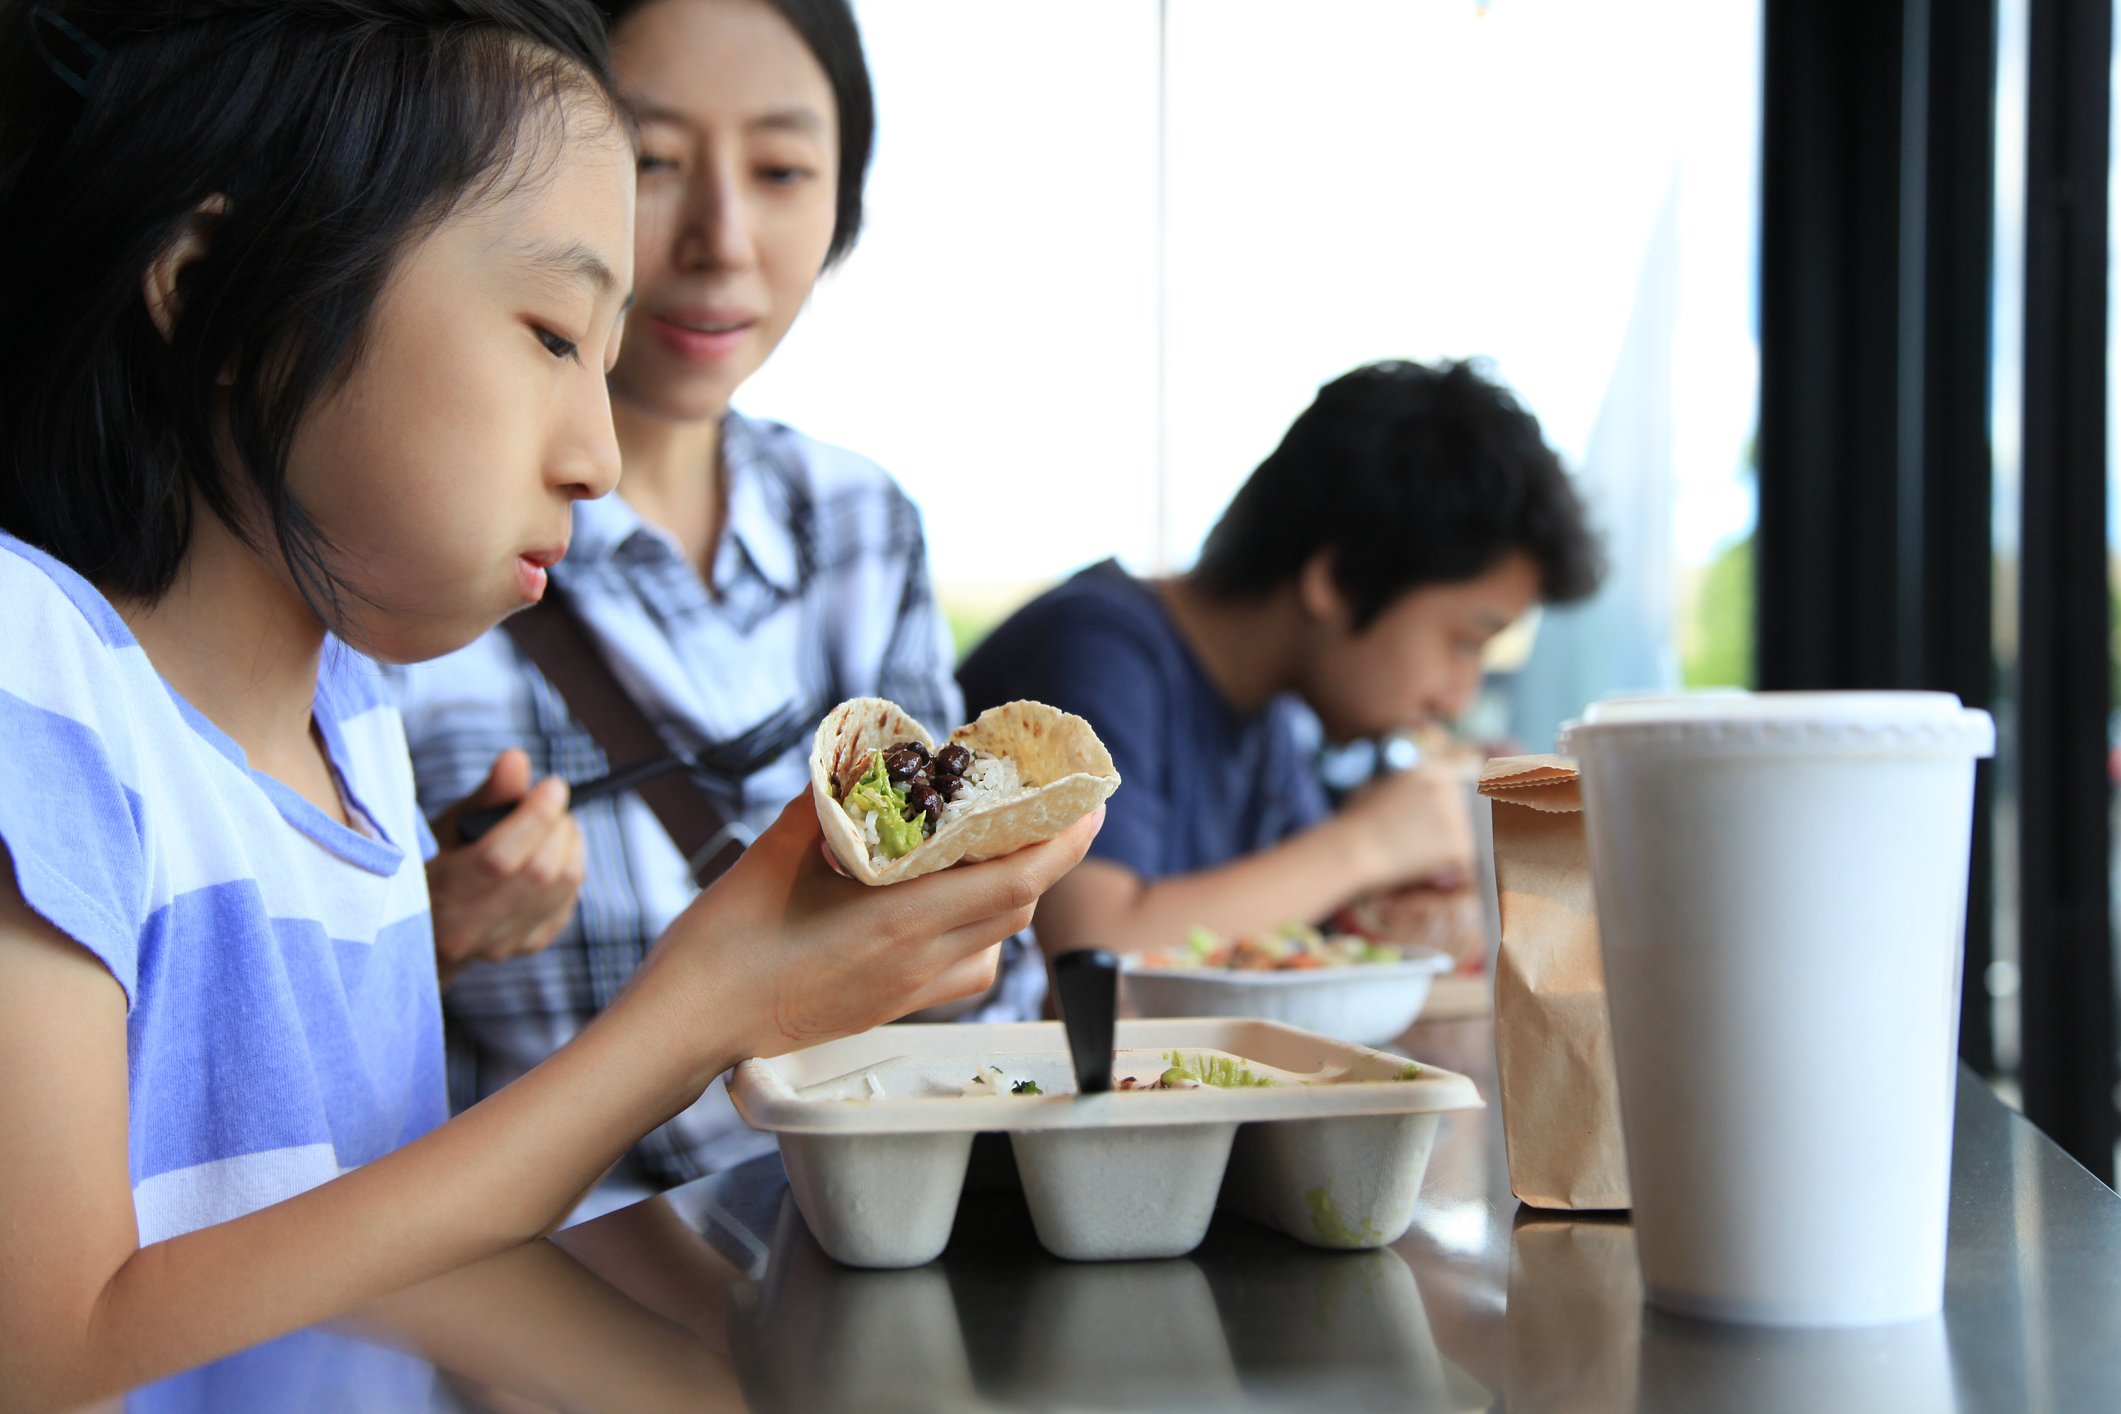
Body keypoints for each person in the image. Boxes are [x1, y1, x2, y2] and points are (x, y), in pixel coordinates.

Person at [0, 3, 1096, 1403]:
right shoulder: (37, 674)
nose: (594, 453)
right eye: (547, 334)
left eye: (605, 344)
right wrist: (695, 1014)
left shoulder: (349, 717)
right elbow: (50, 1341)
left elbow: (387, 1239)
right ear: (214, 290)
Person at [393, 0, 1039, 1194]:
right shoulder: (405, 535)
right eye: (652, 161)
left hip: (866, 1220)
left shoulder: (856, 521)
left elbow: (973, 948)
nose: (722, 239)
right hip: (565, 1295)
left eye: (785, 169)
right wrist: (420, 932)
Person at [959, 359, 1598, 963]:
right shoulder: (1095, 652)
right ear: (1340, 578)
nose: (1458, 698)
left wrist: (1404, 886)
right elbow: (1091, 959)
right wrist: (1372, 842)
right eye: (1464, 641)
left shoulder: (1271, 724)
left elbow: (1297, 927)